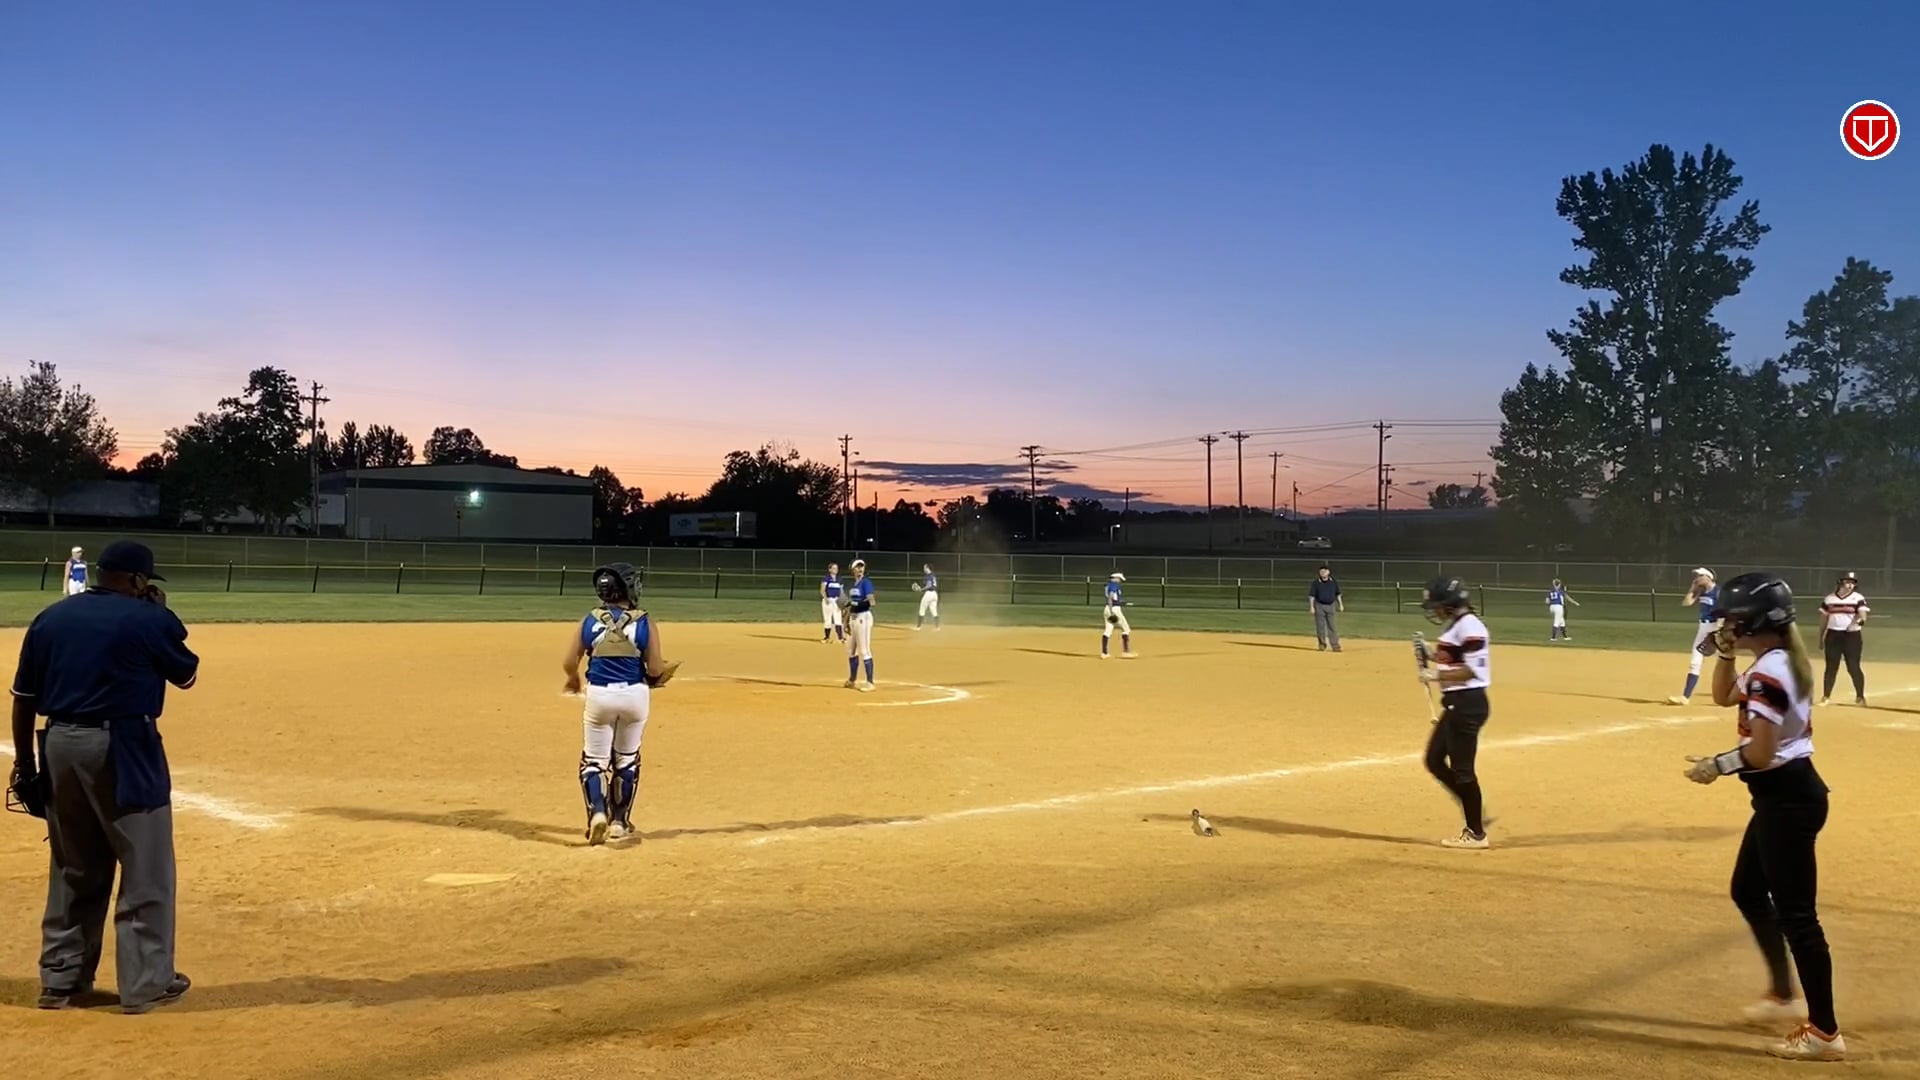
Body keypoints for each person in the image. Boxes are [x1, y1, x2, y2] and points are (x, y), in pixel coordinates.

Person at [7, 540, 198, 1013]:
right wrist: (161, 613)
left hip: (59, 745)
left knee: (74, 866)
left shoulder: (51, 617)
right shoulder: (146, 619)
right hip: (123, 747)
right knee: (146, 867)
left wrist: (26, 763)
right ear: (137, 579)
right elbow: (186, 674)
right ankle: (146, 984)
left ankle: (62, 980)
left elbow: (24, 698)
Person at [1685, 573, 1844, 1061]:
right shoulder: (1778, 660)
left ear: (1753, 622)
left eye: (1732, 620)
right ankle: (1782, 993)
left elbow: (1760, 752)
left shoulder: (1770, 673)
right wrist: (1725, 654)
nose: (1725, 625)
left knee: (1799, 917)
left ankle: (1824, 1033)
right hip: (1785, 795)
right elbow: (1722, 697)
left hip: (1788, 799)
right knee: (1748, 890)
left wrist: (1716, 765)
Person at [561, 563, 675, 846]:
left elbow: (569, 661)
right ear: (629, 589)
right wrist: (660, 675)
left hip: (600, 696)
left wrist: (573, 679)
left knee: (594, 762)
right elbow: (654, 668)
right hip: (635, 696)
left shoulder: (589, 620)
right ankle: (619, 823)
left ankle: (598, 813)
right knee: (627, 758)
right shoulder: (644, 621)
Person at [1417, 577, 1492, 849]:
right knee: (1434, 760)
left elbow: (1472, 670)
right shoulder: (1457, 624)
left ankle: (1476, 833)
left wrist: (1434, 675)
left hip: (1467, 705)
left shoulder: (1471, 627)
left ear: (1450, 604)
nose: (1434, 611)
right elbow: (1453, 658)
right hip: (1456, 704)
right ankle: (1471, 804)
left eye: (1437, 605)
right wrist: (1429, 653)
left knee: (1463, 771)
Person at [1669, 568, 1720, 706]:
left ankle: (1743, 692)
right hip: (1703, 628)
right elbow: (1686, 603)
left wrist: (1717, 633)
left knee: (1725, 661)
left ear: (1708, 577)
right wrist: (1693, 588)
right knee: (1695, 661)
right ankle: (1685, 697)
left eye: (1699, 576)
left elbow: (1725, 612)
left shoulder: (1719, 592)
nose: (1696, 578)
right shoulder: (1701, 591)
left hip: (1716, 628)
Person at [1817, 572, 1868, 707]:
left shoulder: (1857, 598)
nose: (1850, 585)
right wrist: (1821, 637)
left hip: (1852, 636)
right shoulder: (1829, 599)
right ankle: (1826, 696)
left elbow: (1862, 613)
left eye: (1853, 583)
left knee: (1853, 666)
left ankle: (1860, 697)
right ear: (1840, 582)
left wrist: (1861, 620)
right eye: (1847, 582)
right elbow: (1823, 619)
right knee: (1831, 667)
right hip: (1833, 635)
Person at [843, 559, 876, 692]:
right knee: (851, 651)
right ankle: (852, 680)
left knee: (864, 650)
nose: (860, 568)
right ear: (852, 570)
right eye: (857, 566)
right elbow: (850, 607)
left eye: (862, 566)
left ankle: (870, 682)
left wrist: (854, 603)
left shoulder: (866, 583)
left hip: (864, 617)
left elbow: (871, 602)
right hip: (853, 618)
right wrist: (846, 622)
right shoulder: (853, 585)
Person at [1308, 565, 1342, 652]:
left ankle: (1335, 646)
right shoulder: (1316, 582)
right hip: (1319, 606)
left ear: (1328, 572)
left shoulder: (1333, 581)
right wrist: (1312, 607)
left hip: (1331, 606)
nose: (1322, 573)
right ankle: (1322, 645)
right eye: (1321, 571)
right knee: (1320, 627)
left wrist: (1340, 604)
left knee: (1332, 627)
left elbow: (1338, 594)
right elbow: (1312, 596)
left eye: (1324, 571)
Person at [1101, 572, 1134, 659]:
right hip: (1114, 609)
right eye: (1119, 579)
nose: (1120, 581)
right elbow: (1110, 597)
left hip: (1107, 608)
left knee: (1108, 630)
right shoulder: (1114, 585)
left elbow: (1113, 599)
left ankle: (1104, 653)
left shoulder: (1108, 585)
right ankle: (1126, 652)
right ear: (1115, 578)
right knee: (1126, 629)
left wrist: (1124, 603)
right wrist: (1112, 611)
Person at [819, 562, 845, 644]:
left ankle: (840, 638)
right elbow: (822, 590)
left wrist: (842, 601)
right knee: (827, 619)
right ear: (829, 569)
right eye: (833, 568)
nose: (835, 570)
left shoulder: (839, 579)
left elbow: (841, 591)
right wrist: (826, 598)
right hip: (828, 600)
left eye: (836, 568)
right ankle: (826, 637)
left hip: (836, 601)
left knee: (838, 619)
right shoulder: (826, 578)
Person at [913, 564, 941, 631]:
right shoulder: (933, 575)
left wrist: (921, 589)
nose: (924, 569)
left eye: (924, 567)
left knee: (922, 609)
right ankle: (937, 627)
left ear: (927, 568)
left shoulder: (928, 576)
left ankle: (918, 627)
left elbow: (929, 585)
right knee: (934, 611)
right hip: (935, 594)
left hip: (929, 594)